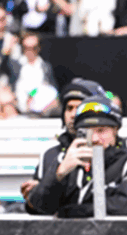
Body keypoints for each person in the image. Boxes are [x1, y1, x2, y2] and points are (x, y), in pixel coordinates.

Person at [25, 96, 127, 217]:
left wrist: (74, 211)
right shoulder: (62, 159)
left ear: (115, 130)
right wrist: (59, 173)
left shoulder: (124, 162)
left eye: (101, 130)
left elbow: (122, 205)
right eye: (87, 132)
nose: (94, 139)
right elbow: (38, 207)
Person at [22, 77, 106, 208]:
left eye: (79, 107)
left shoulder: (116, 153)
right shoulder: (50, 156)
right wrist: (34, 198)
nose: (73, 114)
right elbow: (38, 208)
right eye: (69, 108)